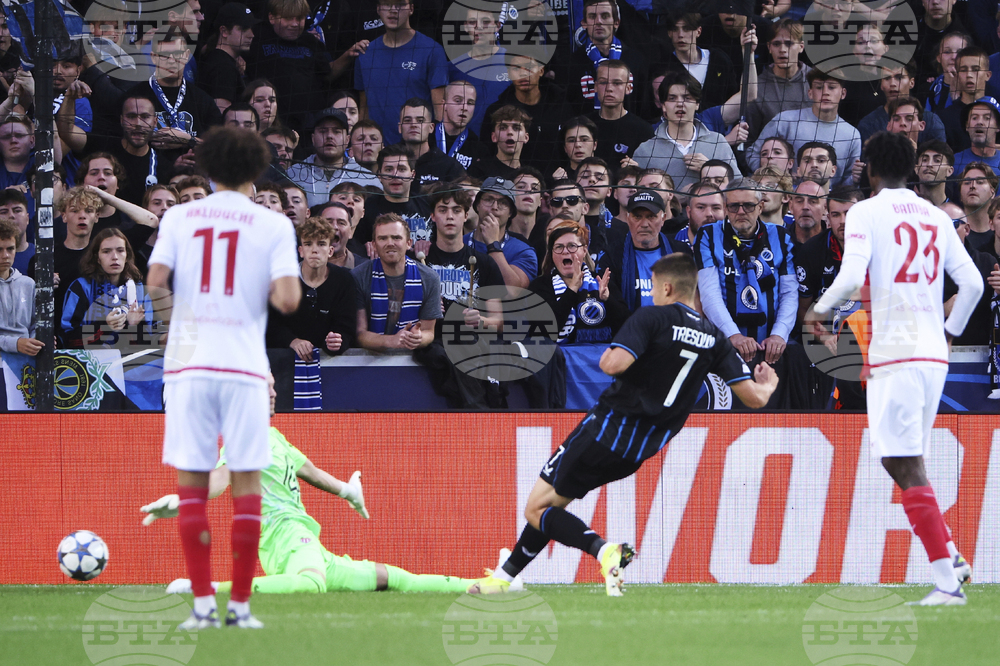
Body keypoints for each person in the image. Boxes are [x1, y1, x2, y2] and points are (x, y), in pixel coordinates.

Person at [470, 252, 778, 597]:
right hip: (639, 450)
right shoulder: (714, 338)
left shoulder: (652, 318)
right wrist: (769, 381)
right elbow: (754, 398)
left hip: (606, 429)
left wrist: (622, 352)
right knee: (551, 507)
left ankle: (604, 550)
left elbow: (612, 364)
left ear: (665, 287)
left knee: (536, 508)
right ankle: (504, 577)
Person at [806, 131, 982, 606]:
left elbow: (849, 275)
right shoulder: (936, 216)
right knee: (901, 458)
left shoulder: (866, 210)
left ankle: (948, 581)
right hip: (932, 355)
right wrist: (949, 332)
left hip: (896, 353)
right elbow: (972, 285)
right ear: (910, 169)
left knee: (901, 461)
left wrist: (819, 311)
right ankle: (949, 552)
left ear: (871, 170)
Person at [146, 126, 302, 630]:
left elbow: (154, 283)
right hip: (244, 368)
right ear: (257, 173)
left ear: (207, 171)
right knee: (247, 486)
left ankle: (199, 607)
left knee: (192, 488)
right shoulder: (273, 225)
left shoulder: (179, 216)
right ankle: (238, 606)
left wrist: (182, 325)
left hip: (188, 366)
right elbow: (287, 301)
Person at [142, 373, 494, 596]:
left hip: (298, 544)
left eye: (273, 387)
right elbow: (220, 480)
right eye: (265, 389)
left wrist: (346, 491)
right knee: (312, 585)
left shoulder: (273, 436)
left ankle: (483, 586)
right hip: (286, 536)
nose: (273, 393)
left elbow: (310, 471)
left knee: (391, 578)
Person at [695, 178, 797, 407]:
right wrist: (734, 335)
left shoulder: (781, 237)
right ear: (725, 206)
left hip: (771, 350)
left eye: (748, 206)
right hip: (724, 348)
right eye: (734, 206)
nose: (741, 211)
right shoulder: (708, 236)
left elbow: (789, 293)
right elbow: (709, 294)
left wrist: (780, 334)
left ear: (760, 206)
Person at [353, 0, 449, 146]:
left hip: (416, 151)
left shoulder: (432, 51)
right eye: (387, 4)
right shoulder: (366, 54)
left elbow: (439, 113)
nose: (393, 10)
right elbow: (364, 110)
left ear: (411, 8)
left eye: (399, 4)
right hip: (376, 152)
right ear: (378, 9)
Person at [750, 69, 861, 188]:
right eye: (819, 87)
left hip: (828, 201)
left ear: (843, 93)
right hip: (787, 197)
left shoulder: (852, 135)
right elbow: (753, 155)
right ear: (810, 93)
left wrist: (855, 178)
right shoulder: (785, 120)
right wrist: (780, 178)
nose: (825, 92)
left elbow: (847, 182)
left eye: (831, 87)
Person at [266, 214, 356, 360]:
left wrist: (336, 342)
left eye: (321, 244)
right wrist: (292, 341)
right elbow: (271, 325)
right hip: (283, 363)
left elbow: (347, 327)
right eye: (308, 244)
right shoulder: (282, 280)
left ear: (330, 251)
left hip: (331, 366)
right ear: (301, 251)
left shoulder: (344, 280)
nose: (314, 250)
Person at [633, 71, 738, 193]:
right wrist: (676, 200)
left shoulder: (718, 142)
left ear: (697, 104)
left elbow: (738, 187)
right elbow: (639, 197)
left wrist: (709, 169)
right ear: (663, 106)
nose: (680, 104)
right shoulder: (645, 150)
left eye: (687, 98)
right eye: (672, 98)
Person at [352, 212, 440, 352]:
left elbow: (429, 332)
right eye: (383, 238)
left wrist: (418, 338)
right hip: (369, 360)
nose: (390, 243)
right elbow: (360, 334)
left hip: (412, 361)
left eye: (396, 237)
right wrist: (391, 341)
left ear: (408, 243)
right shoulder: (358, 276)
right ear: (374, 245)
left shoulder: (429, 278)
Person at [529, 220, 626, 345]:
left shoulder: (601, 281)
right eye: (559, 247)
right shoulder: (539, 286)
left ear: (584, 250)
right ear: (552, 253)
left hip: (599, 360)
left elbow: (626, 327)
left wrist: (608, 300)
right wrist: (571, 290)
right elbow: (541, 332)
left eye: (572, 246)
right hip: (559, 360)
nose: (565, 251)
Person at [244, 0, 332, 133]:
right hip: (269, 122)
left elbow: (328, 73)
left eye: (300, 18)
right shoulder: (256, 35)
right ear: (272, 17)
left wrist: (348, 55)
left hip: (307, 124)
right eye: (288, 18)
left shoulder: (311, 42)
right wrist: (236, 57)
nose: (295, 24)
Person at [60, 228, 154, 348]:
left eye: (120, 250)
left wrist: (133, 325)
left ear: (127, 256)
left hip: (129, 364)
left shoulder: (141, 291)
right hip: (90, 363)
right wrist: (104, 327)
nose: (114, 257)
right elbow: (68, 339)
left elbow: (151, 344)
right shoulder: (81, 288)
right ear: (97, 258)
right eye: (106, 251)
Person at [606, 190, 686, 314]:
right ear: (628, 218)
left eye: (651, 216)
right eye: (637, 217)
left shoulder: (681, 253)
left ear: (663, 218)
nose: (644, 224)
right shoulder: (612, 254)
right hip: (630, 329)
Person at [287, 109, 381, 207]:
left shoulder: (368, 178)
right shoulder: (292, 175)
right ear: (313, 139)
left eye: (336, 131)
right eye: (323, 131)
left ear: (347, 140)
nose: (329, 136)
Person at [464, 177, 537, 288]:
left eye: (503, 203)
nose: (494, 207)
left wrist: (493, 245)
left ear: (510, 212)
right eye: (488, 200)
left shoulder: (523, 251)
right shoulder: (459, 243)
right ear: (477, 205)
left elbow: (513, 291)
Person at [747, 19, 812, 142]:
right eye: (776, 44)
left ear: (801, 47)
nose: (782, 49)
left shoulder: (817, 81)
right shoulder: (757, 87)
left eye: (789, 43)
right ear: (769, 47)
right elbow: (749, 139)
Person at [662, 12, 737, 111]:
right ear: (669, 33)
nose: (680, 35)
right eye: (675, 29)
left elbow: (733, 96)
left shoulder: (719, 60)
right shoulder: (663, 67)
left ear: (698, 31)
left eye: (686, 29)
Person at [587, 61, 654, 170]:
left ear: (628, 88)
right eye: (603, 82)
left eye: (617, 83)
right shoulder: (583, 126)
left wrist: (637, 170)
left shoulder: (643, 130)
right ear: (595, 86)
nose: (609, 88)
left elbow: (650, 171)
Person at [858, 63, 947, 145]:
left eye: (899, 77)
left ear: (912, 82)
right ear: (881, 85)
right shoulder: (868, 124)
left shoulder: (932, 122)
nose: (892, 84)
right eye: (887, 78)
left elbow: (940, 159)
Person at [197, 2, 258, 114]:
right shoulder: (223, 66)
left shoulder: (220, 60)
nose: (251, 35)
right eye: (243, 29)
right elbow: (222, 113)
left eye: (251, 28)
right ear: (224, 31)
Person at [398, 98, 466, 192]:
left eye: (420, 120)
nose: (413, 124)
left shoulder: (450, 167)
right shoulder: (389, 161)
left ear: (431, 127)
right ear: (399, 127)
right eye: (407, 120)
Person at [0, 218, 40, 357]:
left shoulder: (28, 284)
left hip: (26, 363)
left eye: (10, 249)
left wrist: (36, 340)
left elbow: (36, 324)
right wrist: (16, 343)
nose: (5, 255)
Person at [435, 80, 490, 171]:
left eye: (470, 103)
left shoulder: (479, 149)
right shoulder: (426, 136)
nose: (464, 108)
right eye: (458, 101)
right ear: (444, 104)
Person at [469, 105, 532, 180]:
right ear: (494, 137)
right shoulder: (479, 170)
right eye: (503, 128)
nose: (510, 132)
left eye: (516, 128)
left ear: (526, 137)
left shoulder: (530, 175)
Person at [953, 96, 1000, 176]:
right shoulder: (953, 162)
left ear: (998, 126)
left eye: (987, 118)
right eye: (974, 118)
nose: (979, 122)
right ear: (967, 125)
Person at [676, 181, 724, 249]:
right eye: (701, 207)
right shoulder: (669, 247)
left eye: (716, 208)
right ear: (689, 212)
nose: (709, 214)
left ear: (725, 212)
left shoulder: (738, 247)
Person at [552, 116, 599, 182]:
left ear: (595, 144)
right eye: (571, 140)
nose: (577, 145)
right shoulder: (558, 178)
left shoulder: (607, 174)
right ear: (565, 147)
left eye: (584, 139)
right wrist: (561, 184)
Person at [0, 189, 33, 275]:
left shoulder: (41, 255)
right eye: (4, 212)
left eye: (17, 210)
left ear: (27, 218)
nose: (11, 215)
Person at [916, 140, 956, 209]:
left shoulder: (954, 213)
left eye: (937, 161)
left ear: (949, 171)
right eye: (925, 160)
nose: (929, 164)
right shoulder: (904, 209)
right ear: (916, 169)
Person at [787, 179, 827, 246]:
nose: (805, 207)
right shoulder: (780, 241)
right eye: (799, 201)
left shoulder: (833, 243)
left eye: (813, 202)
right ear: (791, 207)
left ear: (825, 208)